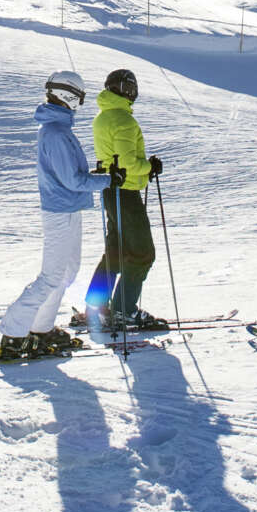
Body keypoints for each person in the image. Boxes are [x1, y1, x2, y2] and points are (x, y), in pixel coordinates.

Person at [0, 71, 110, 362]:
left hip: (68, 209)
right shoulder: (55, 132)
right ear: (69, 96)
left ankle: (41, 328)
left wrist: (102, 177)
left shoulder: (58, 128)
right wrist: (106, 180)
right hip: (59, 211)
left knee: (67, 272)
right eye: (79, 97)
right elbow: (72, 180)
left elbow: (73, 178)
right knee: (52, 276)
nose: (80, 103)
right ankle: (14, 333)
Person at [86, 67, 166, 332]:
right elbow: (129, 163)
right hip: (126, 193)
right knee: (142, 253)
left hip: (111, 190)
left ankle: (96, 306)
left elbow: (116, 160)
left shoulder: (103, 116)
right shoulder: (123, 120)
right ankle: (124, 310)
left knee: (117, 252)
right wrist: (149, 167)